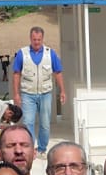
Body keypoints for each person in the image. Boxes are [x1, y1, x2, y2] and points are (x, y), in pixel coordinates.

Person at [10, 26, 65, 157]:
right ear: (30, 38)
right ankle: (29, 148)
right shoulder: (22, 53)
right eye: (34, 39)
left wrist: (62, 90)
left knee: (45, 123)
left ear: (42, 39)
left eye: (39, 40)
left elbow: (58, 73)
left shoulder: (50, 53)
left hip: (45, 93)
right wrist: (16, 94)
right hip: (27, 93)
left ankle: (42, 148)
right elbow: (16, 74)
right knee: (28, 121)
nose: (36, 42)